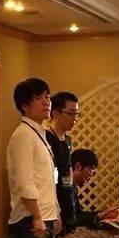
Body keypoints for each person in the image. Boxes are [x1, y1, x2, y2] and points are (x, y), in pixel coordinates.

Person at [6, 78, 61, 238]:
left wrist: (56, 212)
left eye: (47, 96)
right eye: (39, 98)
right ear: (24, 105)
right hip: (30, 220)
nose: (46, 102)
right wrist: (37, 216)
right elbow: (25, 182)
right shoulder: (23, 135)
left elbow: (46, 180)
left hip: (46, 217)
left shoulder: (38, 133)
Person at [62, 149, 119, 230]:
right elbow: (72, 219)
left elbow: (79, 214)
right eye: (90, 169)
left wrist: (104, 213)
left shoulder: (72, 187)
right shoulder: (64, 187)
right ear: (78, 166)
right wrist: (102, 215)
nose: (91, 174)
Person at [47, 91, 79, 228]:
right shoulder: (47, 139)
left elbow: (68, 170)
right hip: (54, 207)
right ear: (55, 113)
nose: (74, 119)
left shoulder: (67, 140)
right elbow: (50, 179)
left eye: (76, 114)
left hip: (68, 203)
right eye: (70, 113)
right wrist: (56, 211)